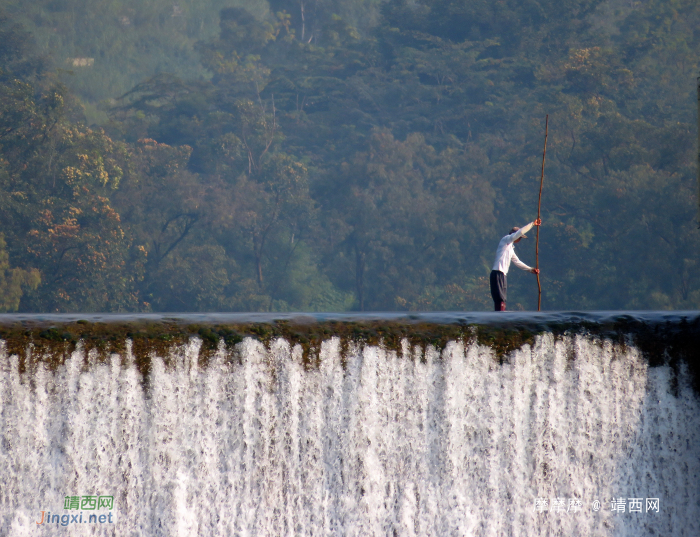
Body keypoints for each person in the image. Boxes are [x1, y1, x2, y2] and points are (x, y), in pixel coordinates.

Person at [490, 218, 541, 311]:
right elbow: (520, 232)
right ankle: (498, 318)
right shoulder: (506, 240)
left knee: (503, 299)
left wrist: (530, 269)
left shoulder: (510, 248)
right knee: (499, 299)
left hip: (502, 274)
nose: (520, 239)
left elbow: (517, 262)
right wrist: (532, 224)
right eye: (520, 237)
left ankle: (501, 317)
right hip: (497, 272)